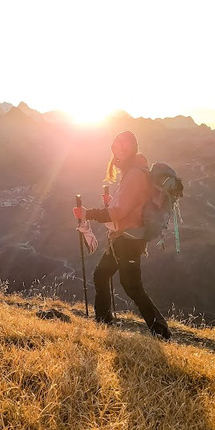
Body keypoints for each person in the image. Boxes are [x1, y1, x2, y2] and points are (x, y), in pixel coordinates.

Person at [73, 130, 172, 339]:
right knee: (101, 274)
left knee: (133, 287)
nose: (120, 149)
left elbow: (117, 212)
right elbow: (126, 206)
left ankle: (162, 333)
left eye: (125, 145)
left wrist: (87, 213)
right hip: (123, 239)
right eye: (117, 145)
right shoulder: (133, 171)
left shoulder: (135, 174)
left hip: (128, 240)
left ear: (134, 148)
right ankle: (103, 322)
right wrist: (111, 203)